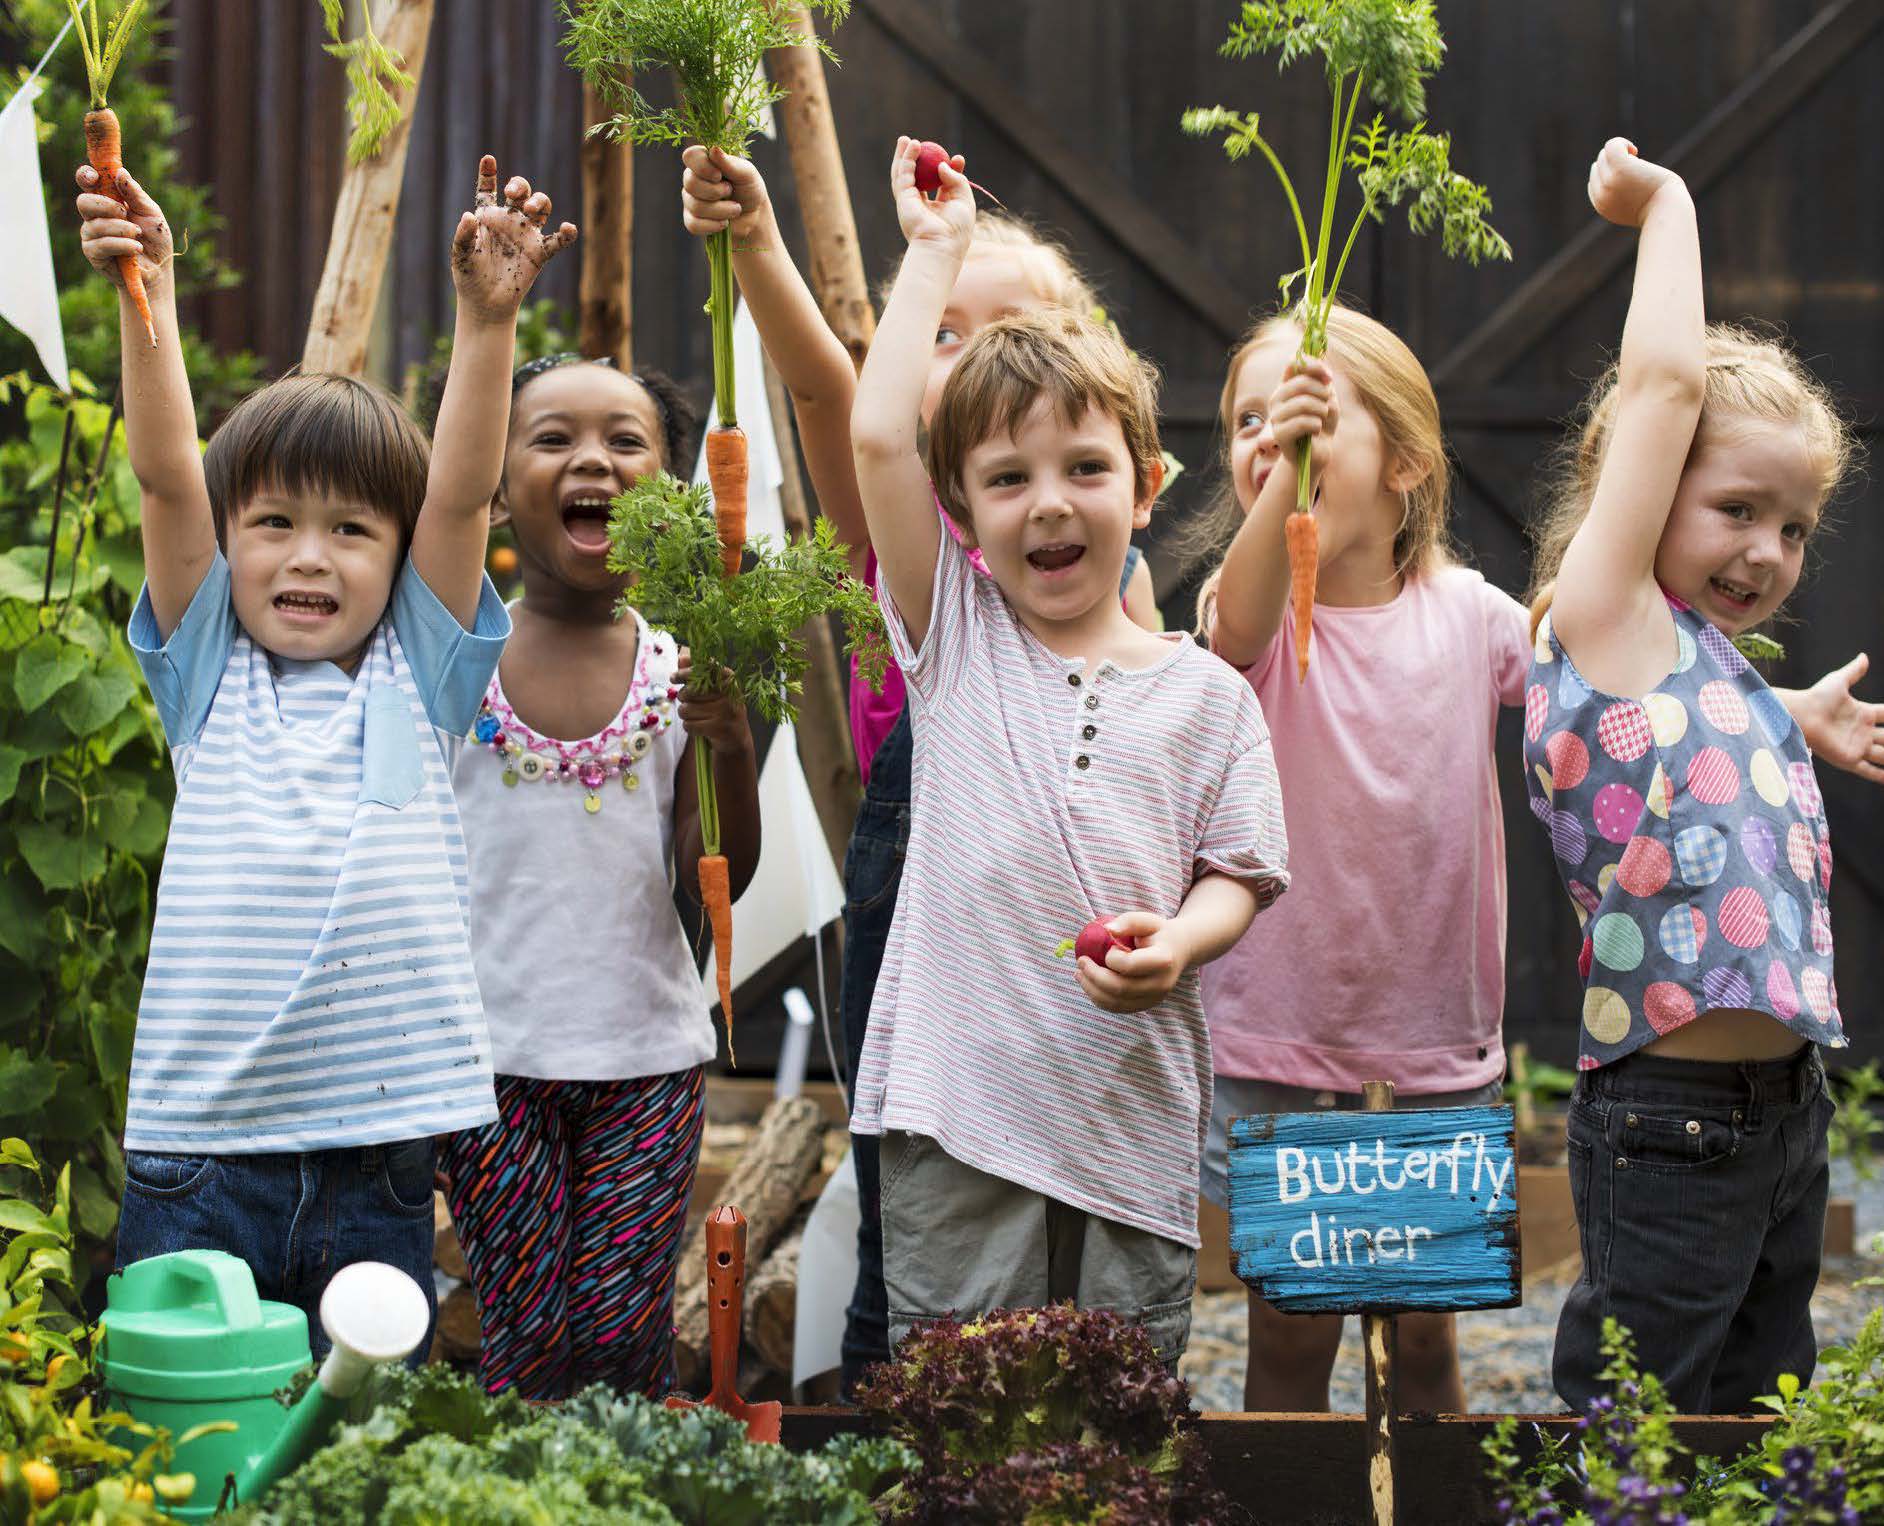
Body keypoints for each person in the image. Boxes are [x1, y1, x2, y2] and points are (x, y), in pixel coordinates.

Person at [679, 144, 1152, 1390]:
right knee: (920, 1190)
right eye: (943, 332)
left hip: (1068, 883)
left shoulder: (1100, 551)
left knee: (1064, 1187)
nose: (975, 354)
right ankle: (900, 1409)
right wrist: (767, 247)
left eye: (1014, 328)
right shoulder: (919, 530)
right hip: (928, 868)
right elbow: (839, 397)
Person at [81, 155, 572, 1354]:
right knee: (188, 1431)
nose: (309, 558)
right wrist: (146, 292)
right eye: (273, 525)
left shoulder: (423, 670)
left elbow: (458, 500)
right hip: (204, 1151)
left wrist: (487, 320)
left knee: (354, 1459)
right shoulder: (210, 674)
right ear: (230, 540)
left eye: (351, 530)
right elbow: (163, 472)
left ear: (397, 558)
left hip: (379, 1162)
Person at [846, 138, 1289, 1365]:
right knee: (957, 1404)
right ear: (965, 509)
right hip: (957, 1116)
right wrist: (932, 254)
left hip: (1124, 1121)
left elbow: (1240, 870)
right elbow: (879, 438)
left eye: (1084, 468)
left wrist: (1180, 943)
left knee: (1115, 1411)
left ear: (1144, 486)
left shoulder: (1205, 694)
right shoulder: (955, 640)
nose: (1048, 501)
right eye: (1006, 477)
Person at [1524, 138, 1884, 1412]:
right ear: (1635, 497)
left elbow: (1692, 749)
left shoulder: (1700, 667)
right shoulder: (1602, 614)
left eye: (1794, 526)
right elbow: (1655, 386)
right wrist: (1667, 209)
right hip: (1666, 1107)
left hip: (1780, 1102)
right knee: (1638, 1402)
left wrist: (1783, 717)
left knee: (1763, 1398)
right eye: (1736, 508)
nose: (1766, 549)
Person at [1197, 305, 1531, 1413]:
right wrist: (1281, 478)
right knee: (1289, 1353)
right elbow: (1236, 620)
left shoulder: (1472, 618)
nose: (1268, 437)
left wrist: (1777, 711)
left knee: (1425, 1353)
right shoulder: (1247, 620)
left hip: (1431, 1051)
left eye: (1303, 416)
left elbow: (1609, 684)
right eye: (1247, 419)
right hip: (1281, 1051)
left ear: (1402, 462)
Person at [432, 350, 761, 1398]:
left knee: (620, 1334)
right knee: (522, 1332)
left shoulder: (678, 665)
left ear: (669, 491)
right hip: (493, 1066)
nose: (594, 461)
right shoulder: (456, 660)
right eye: (553, 439)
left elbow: (715, 876)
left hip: (644, 1063)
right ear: (493, 481)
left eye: (626, 442)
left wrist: (732, 745)